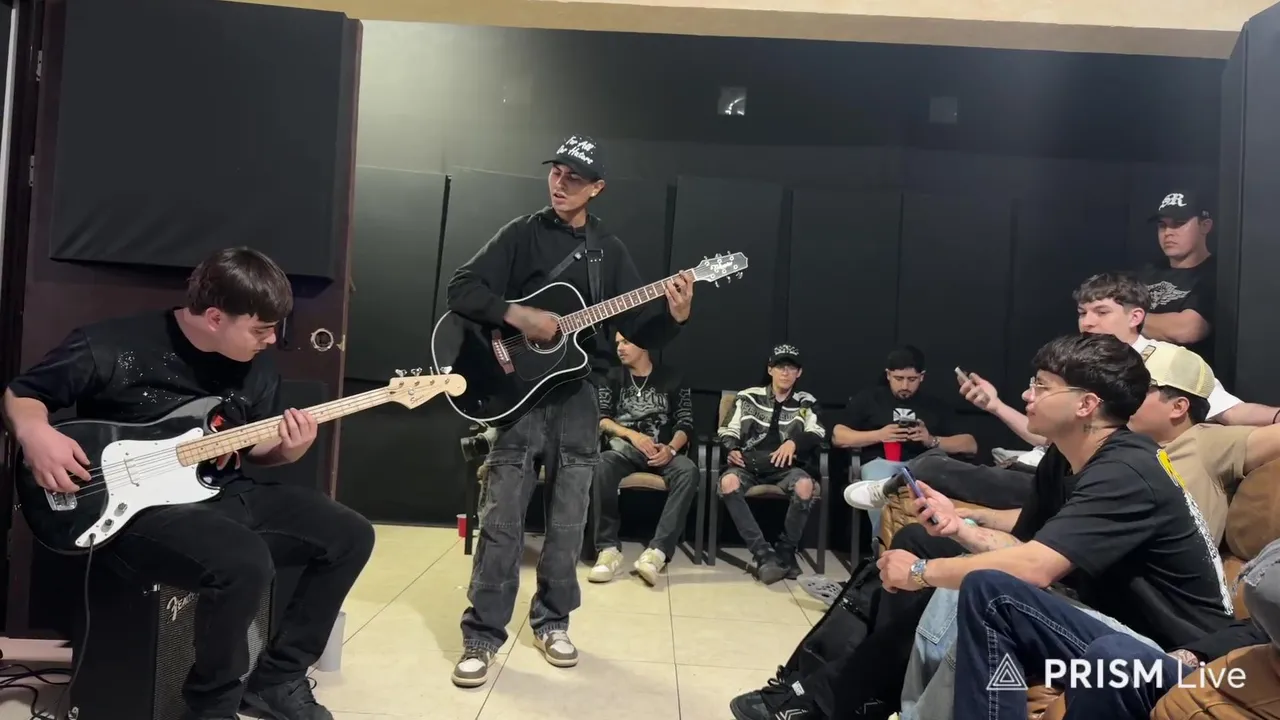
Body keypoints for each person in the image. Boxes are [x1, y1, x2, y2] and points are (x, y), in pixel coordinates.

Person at [729, 334, 1233, 720]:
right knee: (928, 544)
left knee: (985, 588)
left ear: (1086, 405)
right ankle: (824, 693)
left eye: (1042, 386)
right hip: (1092, 612)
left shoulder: (1126, 470)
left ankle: (835, 698)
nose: (1026, 394)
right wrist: (959, 529)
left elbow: (1032, 568)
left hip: (1162, 648)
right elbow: (1026, 545)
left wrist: (922, 573)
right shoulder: (1064, 459)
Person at [3, 248, 374, 720]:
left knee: (350, 535)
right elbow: (23, 394)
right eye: (260, 329)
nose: (271, 340)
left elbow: (258, 450)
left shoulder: (257, 366)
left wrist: (291, 448)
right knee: (244, 562)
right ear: (215, 317)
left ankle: (277, 680)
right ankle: (211, 708)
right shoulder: (113, 344)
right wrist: (36, 434)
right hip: (136, 512)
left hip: (221, 492)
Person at [445, 134, 694, 687]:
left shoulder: (610, 250)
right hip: (515, 396)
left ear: (596, 188)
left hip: (579, 395)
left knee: (567, 521)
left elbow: (637, 327)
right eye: (555, 171)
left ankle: (553, 622)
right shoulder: (521, 233)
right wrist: (519, 316)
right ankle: (481, 635)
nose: (559, 183)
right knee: (501, 519)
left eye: (573, 177)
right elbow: (461, 289)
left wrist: (674, 317)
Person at [959, 272, 1278, 450]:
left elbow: (1230, 411)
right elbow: (1048, 439)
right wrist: (995, 406)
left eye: (1101, 312)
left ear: (1135, 316)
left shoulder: (1166, 361)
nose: (1088, 322)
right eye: (1083, 313)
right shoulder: (1075, 364)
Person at [832, 346, 977, 544]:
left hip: (924, 465)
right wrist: (880, 435)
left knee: (940, 484)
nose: (905, 386)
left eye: (912, 379)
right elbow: (838, 436)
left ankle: (927, 547)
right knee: (882, 487)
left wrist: (931, 440)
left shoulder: (934, 405)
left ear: (922, 377)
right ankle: (885, 547)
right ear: (888, 375)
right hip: (881, 463)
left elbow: (970, 444)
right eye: (899, 379)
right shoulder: (869, 399)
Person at [589, 330, 698, 586]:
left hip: (663, 452)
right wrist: (632, 436)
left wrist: (671, 449)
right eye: (618, 343)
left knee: (689, 471)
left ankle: (657, 553)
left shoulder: (673, 377)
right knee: (602, 464)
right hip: (623, 451)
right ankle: (608, 550)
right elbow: (602, 419)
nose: (620, 348)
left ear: (645, 345)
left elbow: (686, 423)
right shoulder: (610, 377)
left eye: (626, 342)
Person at [717, 344, 825, 585]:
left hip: (786, 467)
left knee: (805, 485)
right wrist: (731, 448)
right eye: (780, 367)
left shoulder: (806, 402)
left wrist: (794, 443)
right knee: (728, 482)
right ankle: (763, 554)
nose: (785, 372)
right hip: (748, 463)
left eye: (791, 368)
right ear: (770, 370)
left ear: (799, 373)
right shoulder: (747, 396)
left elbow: (817, 432)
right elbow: (727, 429)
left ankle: (785, 551)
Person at [1139, 190, 1217, 363]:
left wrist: (1128, 319)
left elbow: (1188, 329)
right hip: (1139, 371)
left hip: (1187, 375)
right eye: (1162, 225)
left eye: (1179, 224)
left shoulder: (1216, 273)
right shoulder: (1148, 271)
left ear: (1205, 226)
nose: (1168, 232)